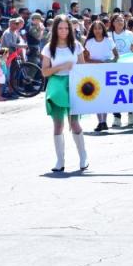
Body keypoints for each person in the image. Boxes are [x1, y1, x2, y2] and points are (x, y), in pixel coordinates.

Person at [40, 15, 88, 172]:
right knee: (58, 124)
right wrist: (61, 67)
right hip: (56, 86)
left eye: (66, 28)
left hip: (73, 85)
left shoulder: (76, 45)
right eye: (60, 28)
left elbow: (83, 67)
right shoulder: (48, 48)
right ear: (55, 29)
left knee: (74, 122)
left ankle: (83, 157)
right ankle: (60, 160)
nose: (63, 31)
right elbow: (45, 72)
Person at [84, 21, 119, 132]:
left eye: (99, 28)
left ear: (103, 29)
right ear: (92, 30)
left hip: (107, 73)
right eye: (95, 28)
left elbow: (116, 56)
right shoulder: (89, 42)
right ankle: (101, 122)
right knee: (96, 96)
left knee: (105, 96)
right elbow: (86, 58)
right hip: (94, 71)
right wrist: (98, 62)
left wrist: (110, 62)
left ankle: (105, 120)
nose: (97, 30)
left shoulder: (108, 41)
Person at [109, 13, 133, 127]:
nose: (120, 22)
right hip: (114, 67)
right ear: (112, 22)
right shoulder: (108, 35)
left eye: (121, 20)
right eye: (117, 20)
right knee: (115, 93)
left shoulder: (129, 34)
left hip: (128, 67)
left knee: (129, 92)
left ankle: (130, 114)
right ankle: (117, 117)